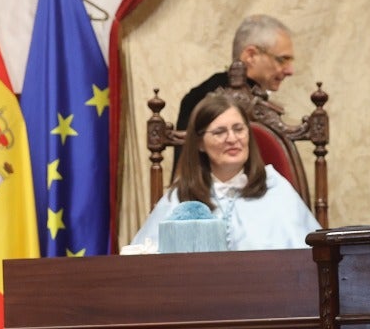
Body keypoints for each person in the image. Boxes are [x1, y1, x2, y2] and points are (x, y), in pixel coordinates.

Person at [134, 92, 319, 251]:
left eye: (239, 129)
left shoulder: (275, 189)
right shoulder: (181, 195)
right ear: (200, 143)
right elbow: (145, 260)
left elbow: (310, 258)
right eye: (219, 132)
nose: (232, 139)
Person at [175, 14, 297, 131]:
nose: (290, 71)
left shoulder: (198, 94)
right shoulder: (214, 99)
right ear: (251, 56)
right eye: (282, 60)